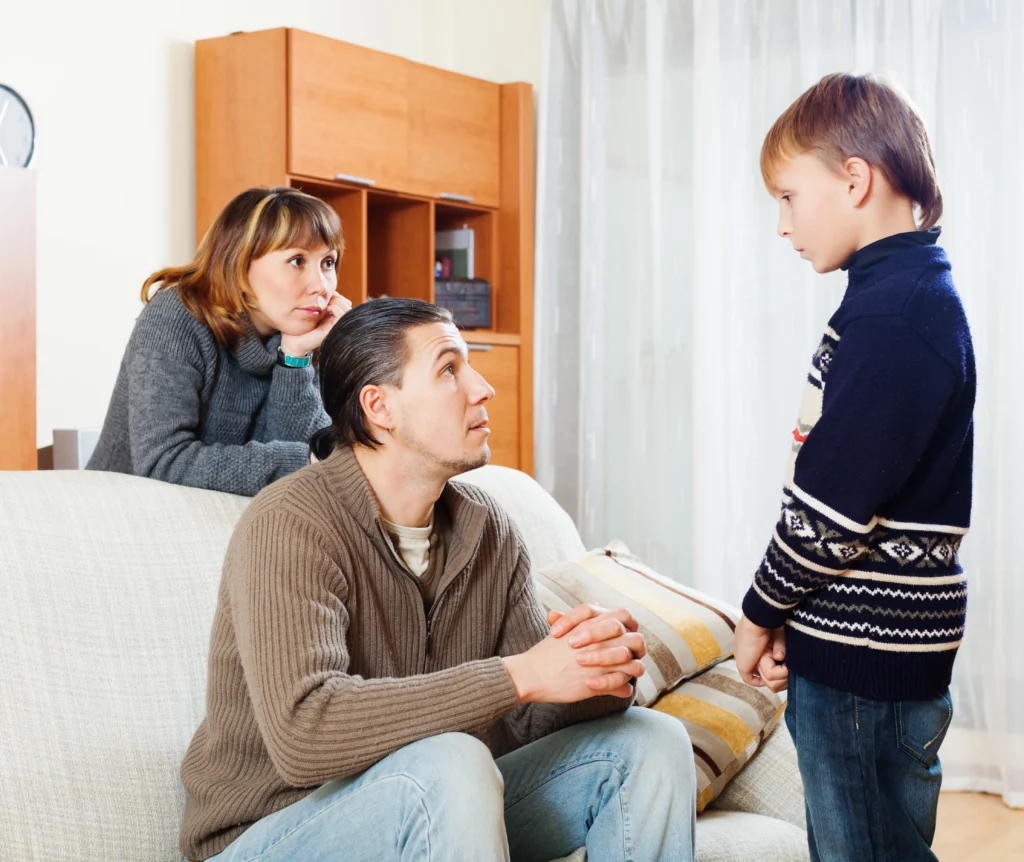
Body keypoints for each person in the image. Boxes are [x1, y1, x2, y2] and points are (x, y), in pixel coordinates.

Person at [179, 298, 698, 862]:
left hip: (436, 806)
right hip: (272, 834)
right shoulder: (291, 522)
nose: (481, 388)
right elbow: (306, 732)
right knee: (452, 760)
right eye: (450, 370)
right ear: (380, 408)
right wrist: (521, 674)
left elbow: (528, 717)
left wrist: (594, 670)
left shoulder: (487, 527)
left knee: (652, 742)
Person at [733, 73, 975, 862]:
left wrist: (760, 611)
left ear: (855, 179)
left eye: (787, 197)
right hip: (866, 645)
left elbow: (831, 508)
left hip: (864, 667)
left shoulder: (896, 313)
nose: (781, 224)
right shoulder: (902, 297)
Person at [87, 186, 351, 496]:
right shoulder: (177, 317)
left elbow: (302, 486)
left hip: (229, 526)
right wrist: (305, 461)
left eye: (328, 262)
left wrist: (294, 358)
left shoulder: (306, 334)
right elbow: (162, 463)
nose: (321, 286)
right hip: (126, 520)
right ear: (240, 264)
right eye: (297, 261)